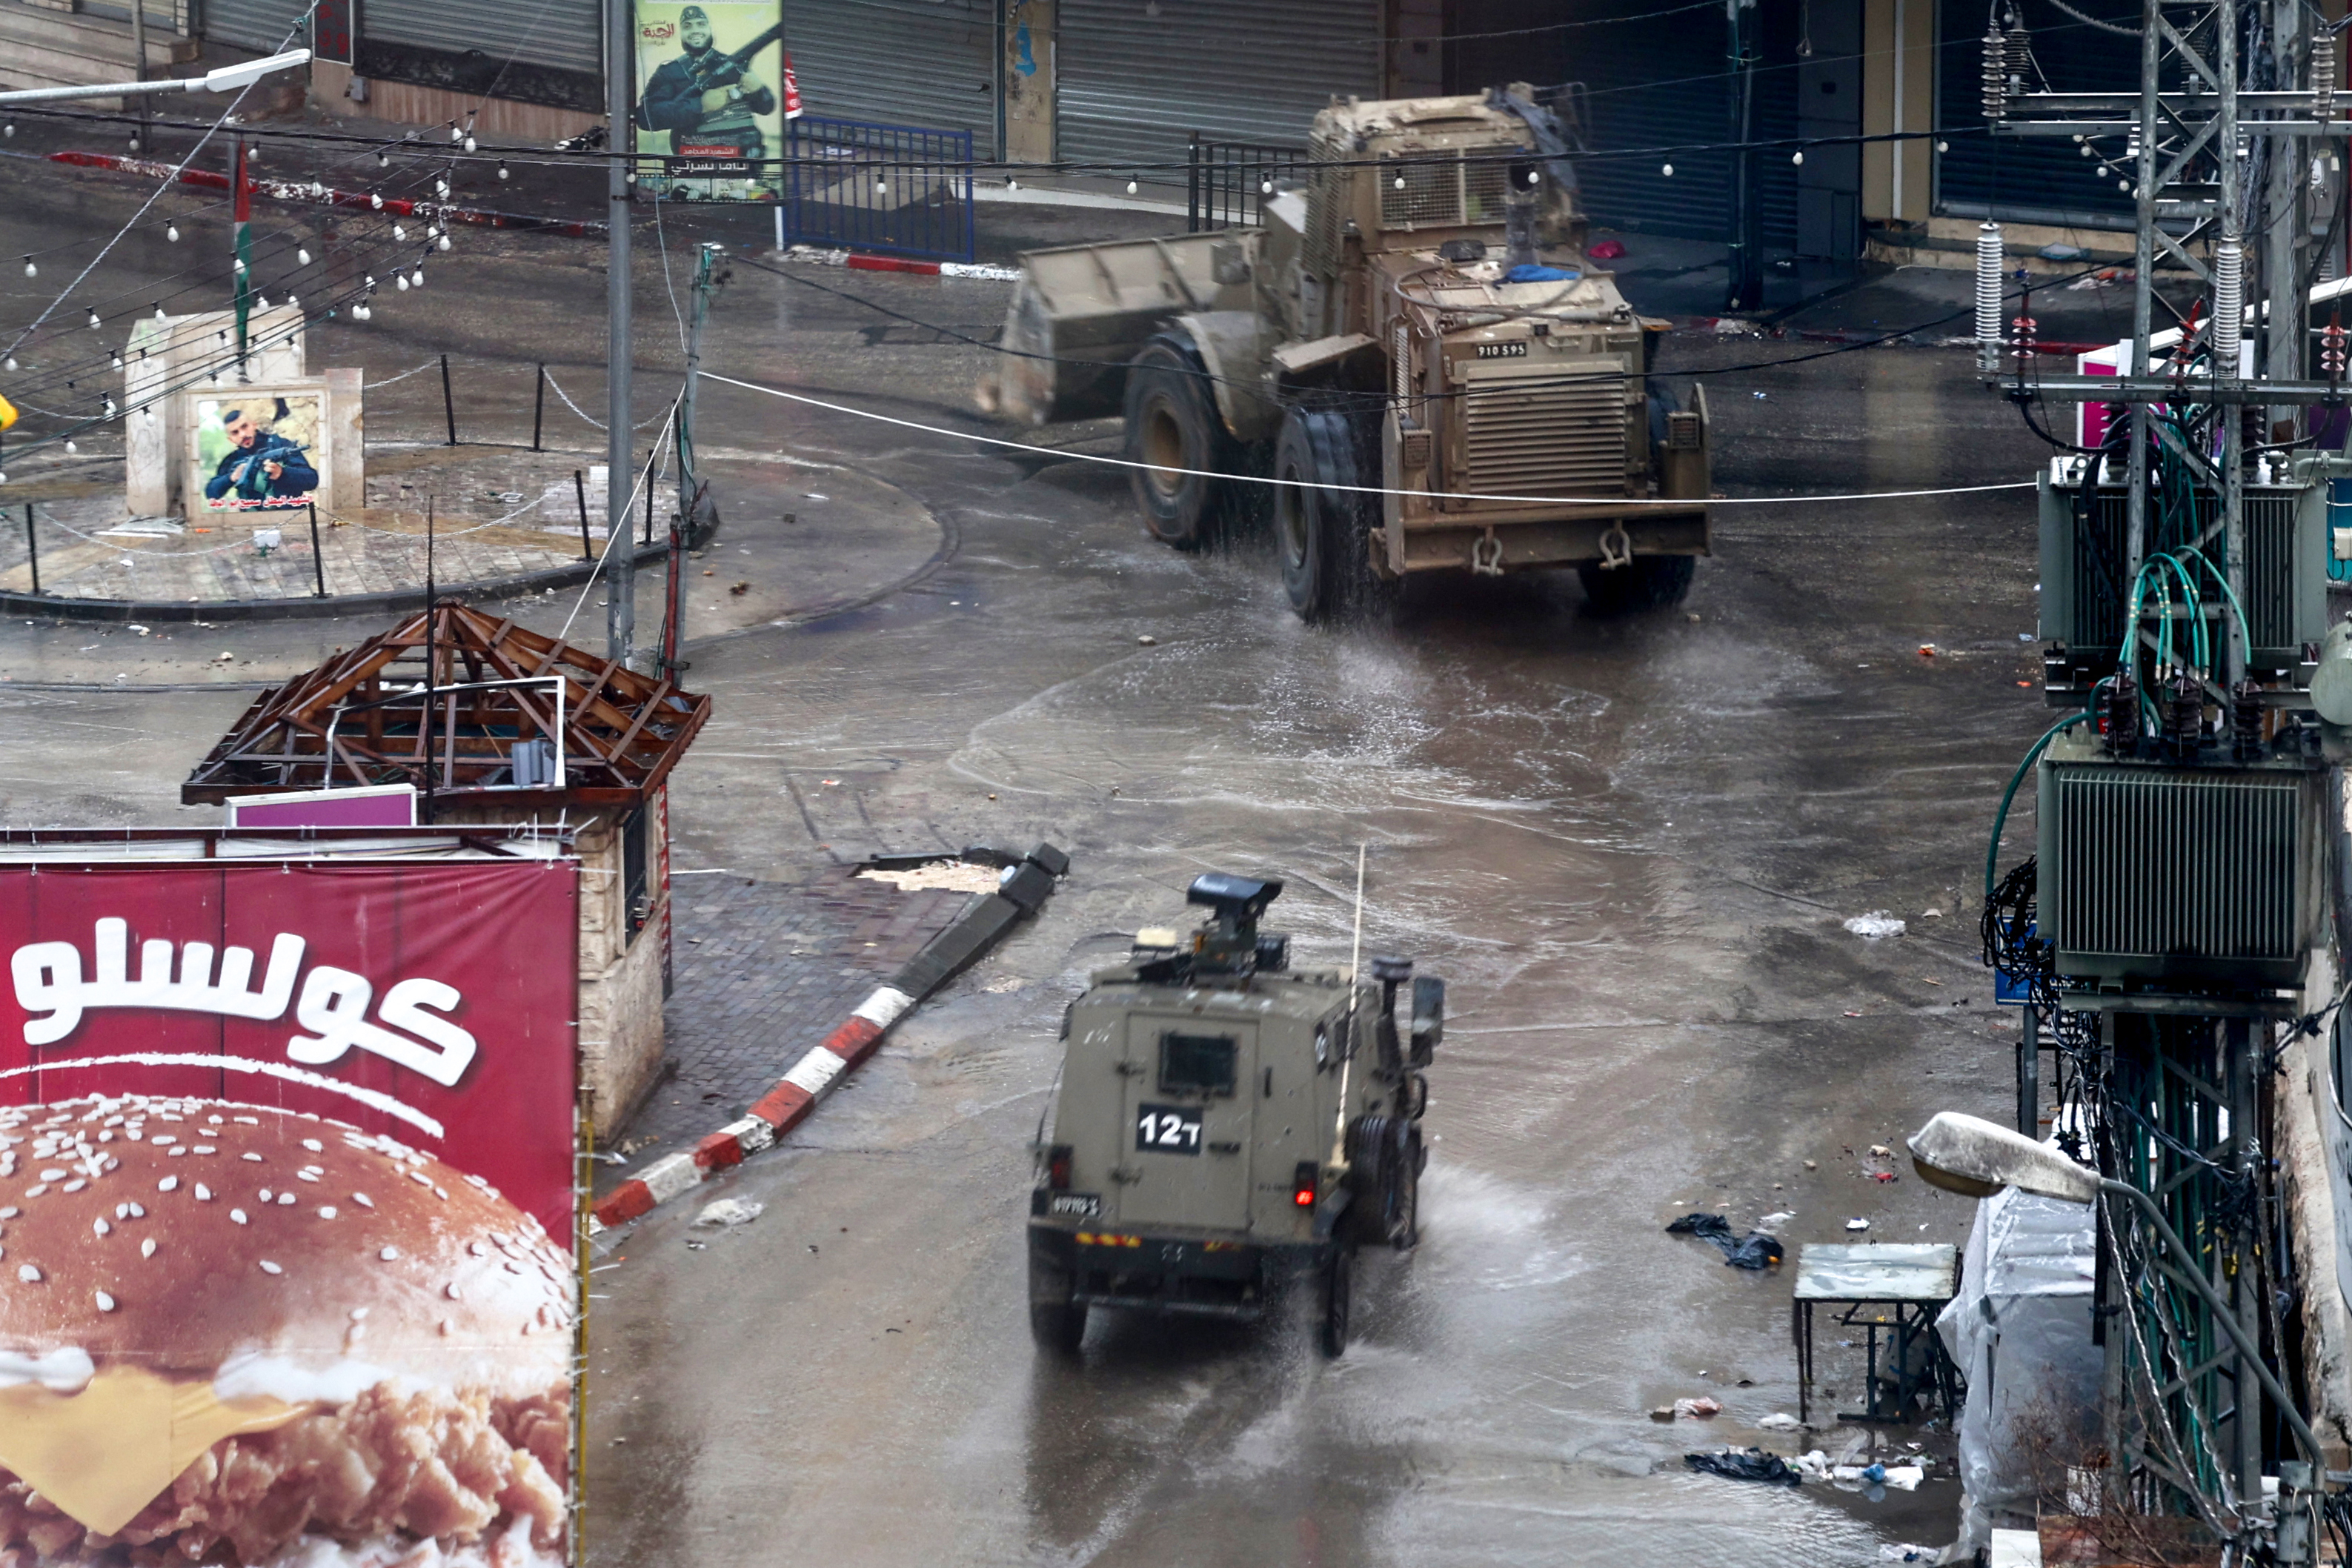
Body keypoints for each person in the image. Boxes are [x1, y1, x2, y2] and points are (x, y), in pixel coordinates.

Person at [637, 6, 775, 162]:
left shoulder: (733, 64)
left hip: (745, 162)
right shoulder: (669, 72)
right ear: (681, 33)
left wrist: (758, 90)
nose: (695, 30)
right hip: (698, 165)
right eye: (688, 26)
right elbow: (645, 117)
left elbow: (767, 108)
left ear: (710, 29)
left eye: (701, 24)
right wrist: (700, 105)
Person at [202, 402, 316, 506]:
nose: (242, 434)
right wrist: (231, 478)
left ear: (254, 425)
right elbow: (211, 493)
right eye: (235, 432)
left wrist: (282, 473)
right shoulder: (233, 459)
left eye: (244, 426)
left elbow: (312, 480)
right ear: (231, 439)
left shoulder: (281, 445)